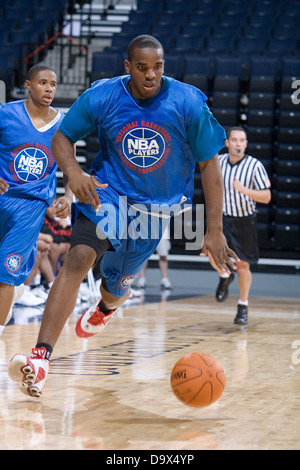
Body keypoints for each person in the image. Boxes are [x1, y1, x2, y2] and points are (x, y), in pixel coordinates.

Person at [8, 35, 238, 398]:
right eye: (142, 68)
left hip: (154, 210)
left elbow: (210, 164)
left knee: (115, 289)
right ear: (127, 67)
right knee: (79, 258)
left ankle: (105, 308)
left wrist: (214, 230)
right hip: (109, 195)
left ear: (164, 65)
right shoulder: (103, 95)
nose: (151, 75)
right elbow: (63, 138)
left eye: (157, 67)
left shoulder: (188, 103)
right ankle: (41, 357)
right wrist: (75, 173)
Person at [0, 64, 71, 335]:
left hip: (32, 204)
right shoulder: (6, 114)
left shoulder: (63, 124)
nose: (49, 88)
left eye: (53, 84)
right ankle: (17, 288)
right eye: (43, 83)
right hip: (3, 196)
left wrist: (69, 195)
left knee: (6, 269)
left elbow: (70, 164)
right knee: (9, 276)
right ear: (28, 85)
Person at [210, 127, 271, 325]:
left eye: (241, 140)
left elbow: (266, 197)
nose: (238, 143)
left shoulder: (255, 165)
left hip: (245, 220)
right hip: (222, 219)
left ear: (245, 144)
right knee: (212, 253)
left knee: (244, 266)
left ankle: (243, 305)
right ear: (227, 143)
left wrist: (244, 190)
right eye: (234, 140)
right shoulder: (217, 162)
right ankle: (224, 276)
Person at [136, 224, 172, 290]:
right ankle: (142, 279)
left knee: (163, 255)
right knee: (144, 255)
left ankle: (164, 279)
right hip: (147, 230)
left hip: (162, 231)